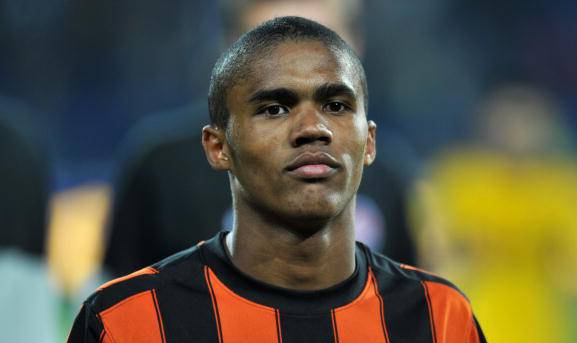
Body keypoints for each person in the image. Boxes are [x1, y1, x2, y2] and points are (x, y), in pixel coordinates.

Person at [43, 17, 509, 343]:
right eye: (274, 108)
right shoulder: (124, 323)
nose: (313, 128)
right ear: (218, 147)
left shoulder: (442, 318)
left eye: (336, 105)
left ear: (369, 142)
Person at [103, 0, 417, 278]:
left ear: (356, 46)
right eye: (271, 47)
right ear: (229, 53)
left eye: (321, 42)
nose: (299, 66)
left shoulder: (386, 173)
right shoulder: (162, 169)